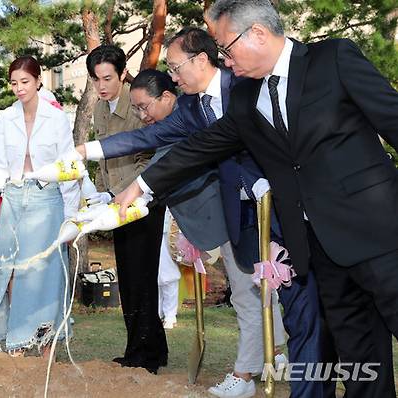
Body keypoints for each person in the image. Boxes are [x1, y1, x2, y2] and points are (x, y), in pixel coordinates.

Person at [117, 1, 398, 396]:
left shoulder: (332, 59)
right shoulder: (246, 97)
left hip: (381, 233)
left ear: (259, 34)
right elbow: (202, 146)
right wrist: (142, 185)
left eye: (227, 49)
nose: (224, 60)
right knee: (360, 359)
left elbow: (393, 117)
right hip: (321, 251)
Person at [78, 43, 292, 395]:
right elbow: (141, 139)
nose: (144, 115)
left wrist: (129, 194)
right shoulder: (188, 111)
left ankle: (247, 374)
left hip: (251, 210)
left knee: (253, 290)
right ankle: (274, 351)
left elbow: (165, 164)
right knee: (255, 289)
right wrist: (88, 155)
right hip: (222, 218)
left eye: (146, 106)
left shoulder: (218, 101)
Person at [0, 55, 79, 356]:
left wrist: (72, 217)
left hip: (48, 202)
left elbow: (69, 168)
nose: (19, 88)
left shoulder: (57, 118)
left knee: (46, 273)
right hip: (12, 200)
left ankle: (47, 343)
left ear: (38, 81)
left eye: (25, 82)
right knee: (8, 271)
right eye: (14, 83)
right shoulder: (6, 118)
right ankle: (15, 341)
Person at [83, 45, 167, 373]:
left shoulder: (137, 105)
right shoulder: (101, 110)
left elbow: (149, 157)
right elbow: (105, 158)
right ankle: (147, 349)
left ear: (122, 74)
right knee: (129, 278)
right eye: (96, 80)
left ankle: (144, 354)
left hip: (143, 202)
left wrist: (123, 192)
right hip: (117, 203)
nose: (102, 86)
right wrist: (105, 193)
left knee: (142, 278)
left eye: (107, 78)